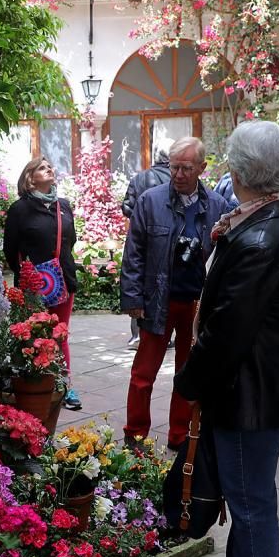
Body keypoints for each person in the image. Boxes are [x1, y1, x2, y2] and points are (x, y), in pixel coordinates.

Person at [173, 120, 279, 557]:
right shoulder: (275, 219)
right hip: (261, 385)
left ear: (241, 172)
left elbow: (228, 330)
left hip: (251, 391)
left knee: (251, 497)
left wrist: (187, 381)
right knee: (244, 490)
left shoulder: (262, 235)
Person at [119, 137, 227, 451]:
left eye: (186, 168)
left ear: (202, 169)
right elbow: (134, 253)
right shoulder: (150, 201)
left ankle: (180, 434)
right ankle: (135, 434)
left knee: (188, 372)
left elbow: (224, 257)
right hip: (158, 299)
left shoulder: (219, 207)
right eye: (174, 167)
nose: (178, 174)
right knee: (143, 373)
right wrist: (133, 299)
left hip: (197, 304)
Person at [3, 156, 83, 410]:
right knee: (31, 335)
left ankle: (64, 384)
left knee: (60, 335)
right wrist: (30, 276)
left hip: (63, 281)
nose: (48, 169)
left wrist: (57, 272)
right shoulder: (19, 209)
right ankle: (34, 383)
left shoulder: (64, 206)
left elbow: (72, 240)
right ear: (30, 178)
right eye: (41, 167)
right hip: (32, 285)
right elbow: (10, 249)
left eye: (49, 166)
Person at [122, 150, 172, 350]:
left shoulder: (139, 178)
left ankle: (137, 335)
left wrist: (138, 215)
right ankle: (166, 334)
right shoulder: (176, 178)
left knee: (140, 279)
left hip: (141, 234)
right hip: (168, 236)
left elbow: (126, 206)